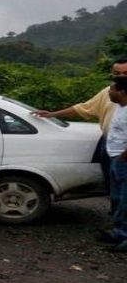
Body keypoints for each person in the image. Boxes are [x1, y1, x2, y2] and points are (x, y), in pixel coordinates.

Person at [35, 59, 127, 214]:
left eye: (125, 73)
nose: (121, 76)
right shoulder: (109, 92)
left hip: (124, 150)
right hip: (108, 143)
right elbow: (84, 108)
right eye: (117, 73)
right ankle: (117, 221)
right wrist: (52, 115)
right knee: (113, 185)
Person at [101, 76, 127, 252]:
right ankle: (118, 232)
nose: (109, 92)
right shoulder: (120, 108)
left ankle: (124, 237)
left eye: (111, 89)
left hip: (123, 160)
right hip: (116, 158)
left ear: (122, 92)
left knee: (125, 201)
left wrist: (123, 157)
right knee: (117, 198)